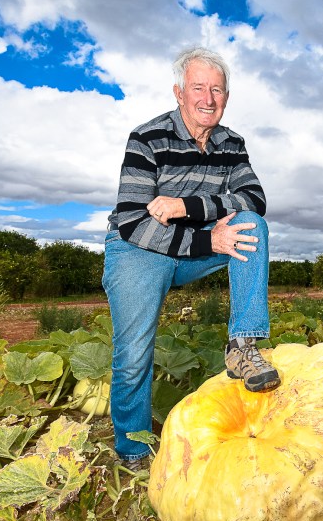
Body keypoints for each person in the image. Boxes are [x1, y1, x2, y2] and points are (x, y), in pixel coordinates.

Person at [102, 46, 280, 470]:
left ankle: (243, 344)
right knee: (133, 357)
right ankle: (132, 452)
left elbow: (253, 198)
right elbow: (130, 220)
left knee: (251, 225)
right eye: (198, 88)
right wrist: (207, 243)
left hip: (195, 242)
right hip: (136, 252)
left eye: (216, 90)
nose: (208, 98)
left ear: (227, 97)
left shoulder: (231, 143)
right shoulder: (147, 138)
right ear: (179, 92)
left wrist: (188, 208)